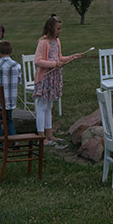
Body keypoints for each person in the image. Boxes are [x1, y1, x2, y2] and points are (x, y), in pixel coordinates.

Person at [33, 14, 82, 147]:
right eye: (58, 29)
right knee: (42, 107)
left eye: (60, 29)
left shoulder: (57, 41)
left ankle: (50, 135)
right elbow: (37, 61)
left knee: (49, 107)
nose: (60, 31)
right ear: (50, 28)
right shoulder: (43, 42)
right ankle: (41, 137)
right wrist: (55, 64)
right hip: (44, 79)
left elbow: (59, 57)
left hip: (54, 78)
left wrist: (73, 56)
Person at [0, 40, 21, 140]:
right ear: (11, 52)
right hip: (11, 99)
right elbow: (19, 81)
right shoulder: (17, 65)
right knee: (9, 120)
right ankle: (13, 140)